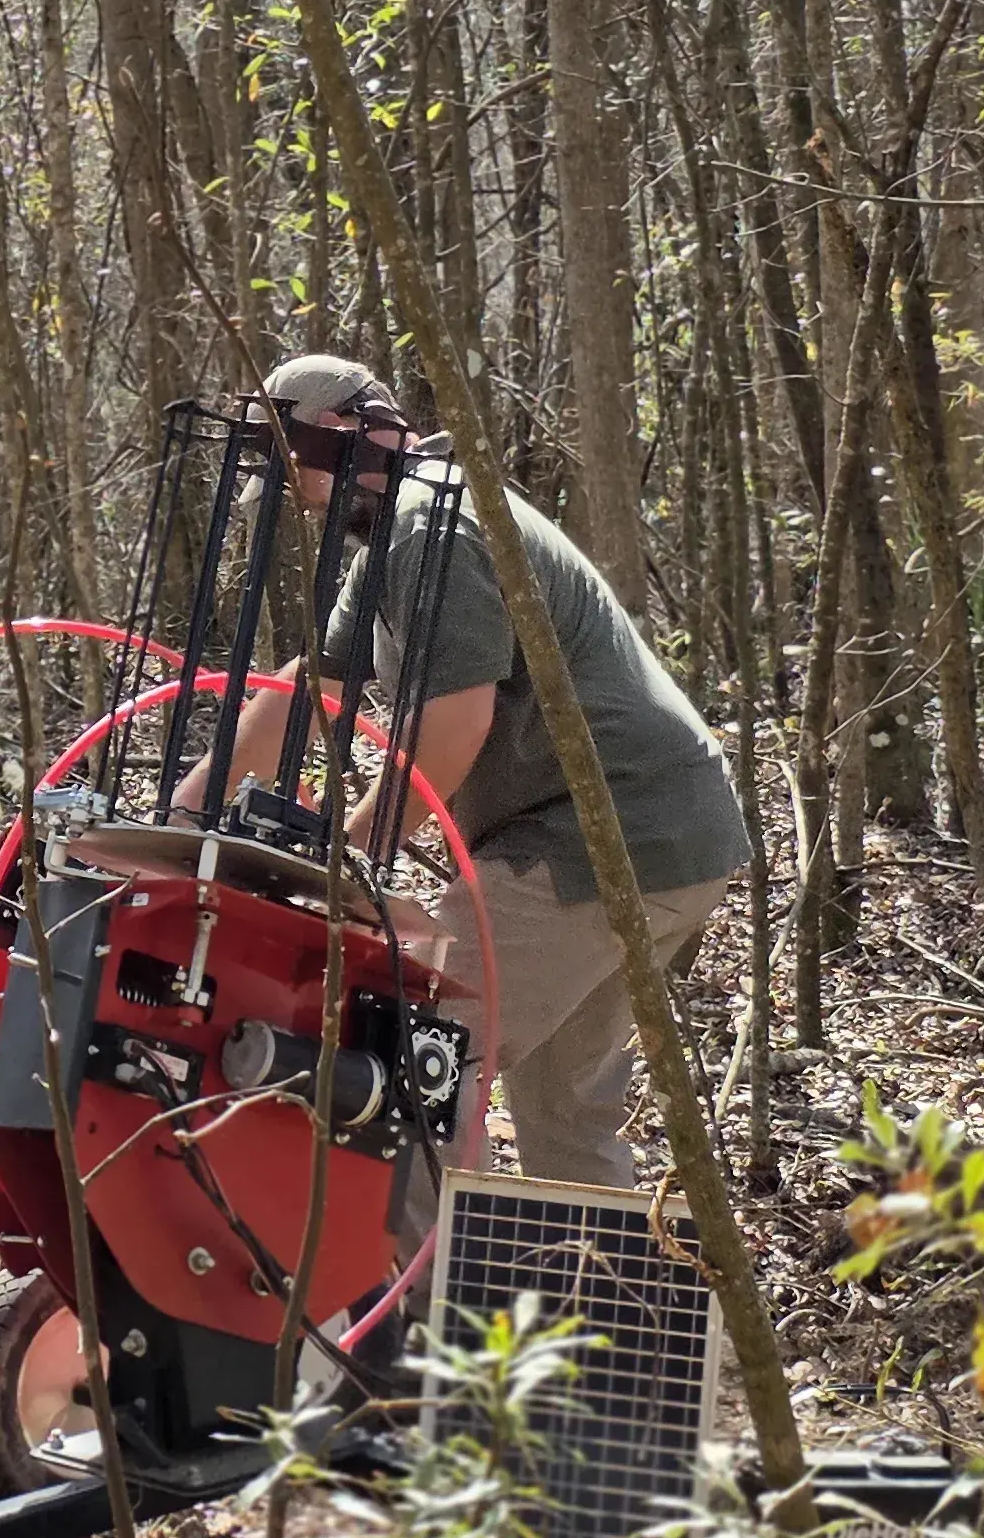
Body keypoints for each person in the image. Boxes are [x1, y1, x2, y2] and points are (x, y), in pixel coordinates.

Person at [238, 352, 751, 1193]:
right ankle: (600, 1319)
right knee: (563, 1119)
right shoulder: (400, 534)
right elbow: (313, 688)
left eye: (297, 469)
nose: (301, 497)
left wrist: (347, 856)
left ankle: (410, 1310)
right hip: (673, 837)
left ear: (337, 435)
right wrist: (193, 807)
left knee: (412, 1049)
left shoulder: (429, 523)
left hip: (602, 832)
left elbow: (453, 726)